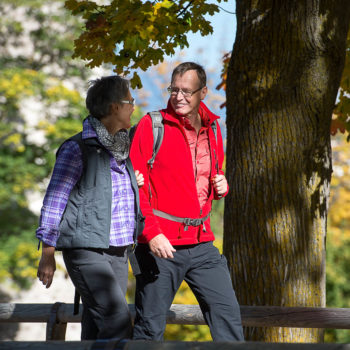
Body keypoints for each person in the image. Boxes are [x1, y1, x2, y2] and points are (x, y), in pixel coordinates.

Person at [129, 62, 244, 341]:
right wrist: (151, 233)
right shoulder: (151, 124)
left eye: (186, 91)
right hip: (160, 247)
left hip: (203, 244)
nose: (178, 97)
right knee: (149, 329)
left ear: (203, 92)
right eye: (174, 90)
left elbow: (208, 179)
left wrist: (222, 186)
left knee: (228, 317)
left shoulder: (214, 128)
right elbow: (134, 188)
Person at [36, 75, 144, 340]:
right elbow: (54, 199)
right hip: (86, 250)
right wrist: (47, 253)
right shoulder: (77, 148)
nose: (134, 106)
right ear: (115, 107)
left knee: (98, 328)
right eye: (130, 101)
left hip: (118, 251)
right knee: (117, 323)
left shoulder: (124, 149)